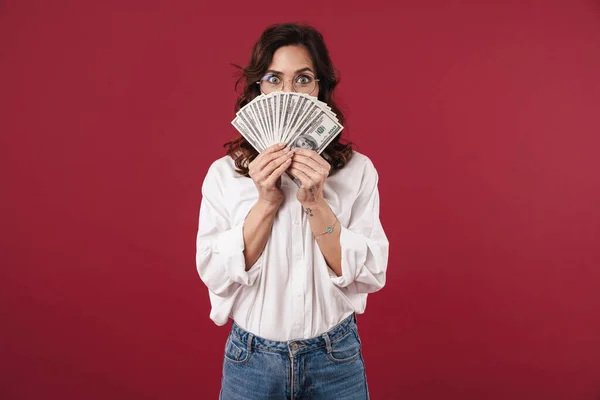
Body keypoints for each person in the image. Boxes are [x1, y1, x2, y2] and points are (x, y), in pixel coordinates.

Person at [196, 23, 389, 400]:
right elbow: (216, 275)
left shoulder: (357, 170)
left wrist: (317, 202)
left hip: (334, 359)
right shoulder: (225, 174)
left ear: (320, 89)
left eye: (303, 79)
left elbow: (366, 274)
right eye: (273, 79)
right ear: (258, 89)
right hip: (251, 361)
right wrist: (266, 202)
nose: (288, 93)